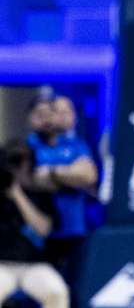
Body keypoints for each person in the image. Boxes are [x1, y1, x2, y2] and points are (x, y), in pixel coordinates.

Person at [0, 140, 73, 308]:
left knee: (57, 291)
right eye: (13, 162)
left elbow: (43, 228)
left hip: (34, 265)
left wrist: (18, 195)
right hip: (3, 264)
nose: (18, 168)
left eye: (23, 162)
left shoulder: (40, 193)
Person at [26, 92, 98, 279]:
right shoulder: (28, 147)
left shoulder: (74, 144)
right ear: (30, 118)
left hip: (74, 230)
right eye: (40, 115)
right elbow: (35, 181)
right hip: (39, 235)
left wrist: (52, 172)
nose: (47, 120)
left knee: (75, 289)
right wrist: (70, 174)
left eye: (50, 113)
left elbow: (88, 176)